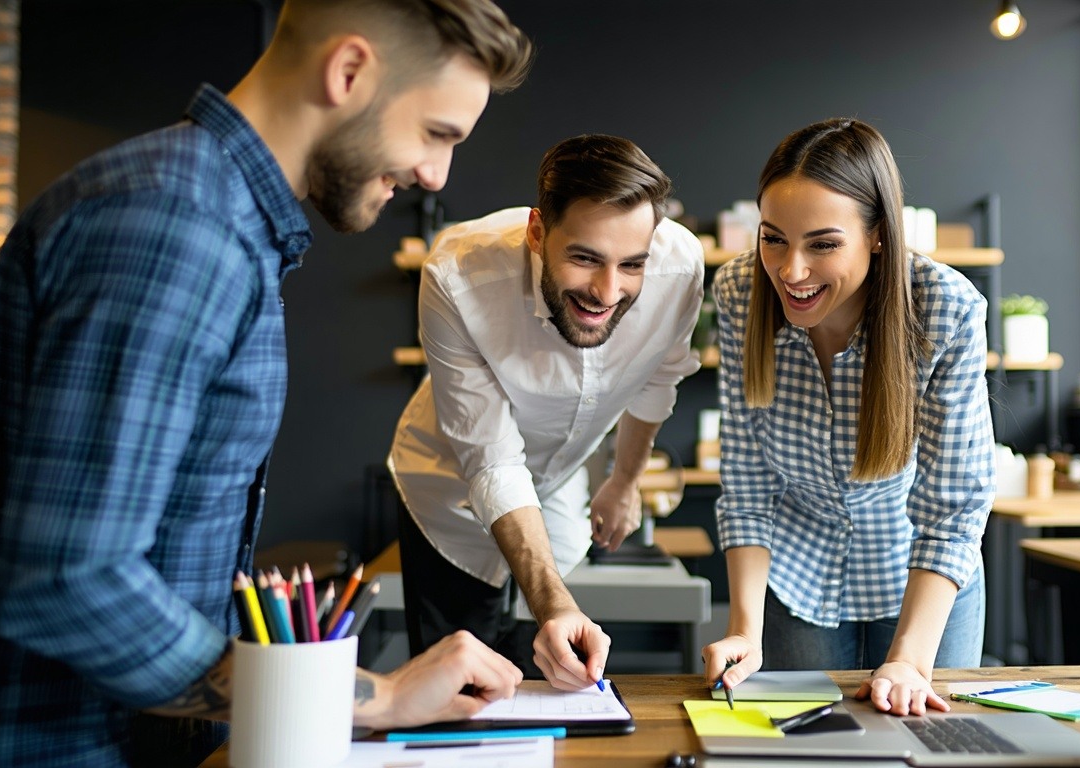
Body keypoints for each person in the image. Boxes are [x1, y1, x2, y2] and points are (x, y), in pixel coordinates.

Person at [0, 1, 533, 765]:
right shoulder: (176, 226)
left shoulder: (214, 219)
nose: (434, 174)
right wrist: (370, 699)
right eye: (436, 133)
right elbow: (70, 579)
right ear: (348, 72)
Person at [389, 134, 705, 691]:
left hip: (559, 487)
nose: (608, 291)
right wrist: (553, 605)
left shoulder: (679, 268)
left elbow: (658, 377)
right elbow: (492, 462)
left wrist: (624, 481)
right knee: (465, 689)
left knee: (548, 676)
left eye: (631, 264)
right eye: (584, 258)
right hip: (449, 495)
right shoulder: (457, 277)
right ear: (538, 231)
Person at [702, 118, 995, 716]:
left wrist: (910, 659)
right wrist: (743, 630)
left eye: (824, 244)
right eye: (774, 238)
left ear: (880, 235)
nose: (791, 270)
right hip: (796, 576)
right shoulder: (739, 293)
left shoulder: (944, 307)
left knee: (925, 750)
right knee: (808, 753)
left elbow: (953, 507)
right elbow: (749, 486)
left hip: (923, 578)